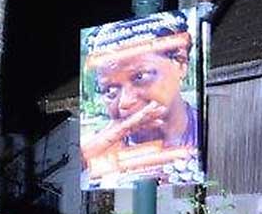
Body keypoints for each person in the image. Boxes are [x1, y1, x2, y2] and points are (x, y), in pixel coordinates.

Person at [81, 24, 200, 182]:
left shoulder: (211, 131)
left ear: (180, 65)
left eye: (140, 77)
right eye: (110, 90)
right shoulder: (99, 151)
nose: (124, 102)